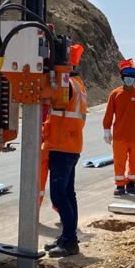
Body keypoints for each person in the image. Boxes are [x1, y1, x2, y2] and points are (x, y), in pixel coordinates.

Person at [43, 43, 87, 256]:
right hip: (71, 145)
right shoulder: (79, 85)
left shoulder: (67, 85)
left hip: (62, 146)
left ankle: (70, 241)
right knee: (68, 194)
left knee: (59, 196)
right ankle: (67, 237)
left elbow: (48, 97)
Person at [103, 59, 135, 196]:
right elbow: (109, 113)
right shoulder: (115, 94)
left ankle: (131, 183)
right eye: (127, 77)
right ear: (122, 77)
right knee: (119, 161)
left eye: (132, 77)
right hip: (119, 136)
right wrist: (107, 130)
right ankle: (120, 186)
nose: (129, 79)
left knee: (134, 162)